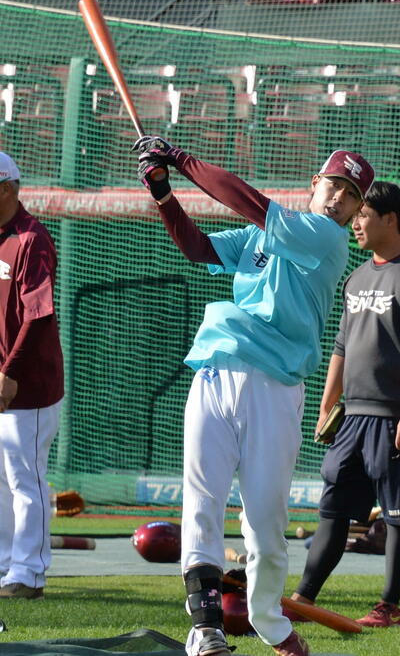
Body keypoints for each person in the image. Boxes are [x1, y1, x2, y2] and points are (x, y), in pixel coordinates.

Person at [133, 136, 374, 656]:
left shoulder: (324, 238)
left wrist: (180, 159)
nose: (338, 199)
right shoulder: (263, 235)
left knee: (265, 521)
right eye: (334, 184)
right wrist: (163, 194)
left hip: (275, 387)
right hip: (216, 370)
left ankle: (269, 620)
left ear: (357, 210)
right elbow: (199, 249)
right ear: (316, 183)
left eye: (351, 195)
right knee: (203, 501)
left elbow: (250, 202)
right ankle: (205, 627)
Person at [288, 181, 400, 627]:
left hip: (397, 416)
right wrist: (327, 405)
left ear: (390, 219)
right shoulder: (357, 278)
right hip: (352, 418)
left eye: (363, 214)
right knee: (333, 510)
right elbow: (341, 347)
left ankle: (389, 607)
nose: (354, 222)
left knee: (398, 515)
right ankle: (302, 598)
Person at [0, 152, 64, 600]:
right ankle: (7, 566)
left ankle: (30, 573)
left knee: (26, 478)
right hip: (3, 379)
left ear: (6, 188)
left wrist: (10, 372)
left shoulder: (31, 239)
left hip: (29, 386)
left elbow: (38, 316)